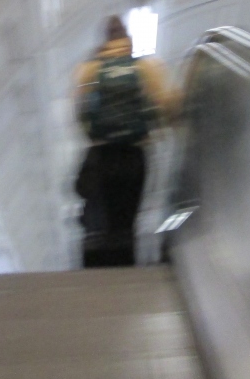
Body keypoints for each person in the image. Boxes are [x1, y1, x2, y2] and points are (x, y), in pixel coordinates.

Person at [73, 15, 178, 267]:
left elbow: (79, 113)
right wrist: (159, 131)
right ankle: (125, 267)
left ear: (104, 39)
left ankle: (99, 268)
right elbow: (167, 106)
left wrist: (94, 138)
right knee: (127, 218)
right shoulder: (146, 67)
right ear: (128, 39)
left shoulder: (89, 69)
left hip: (101, 155)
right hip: (134, 155)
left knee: (102, 216)